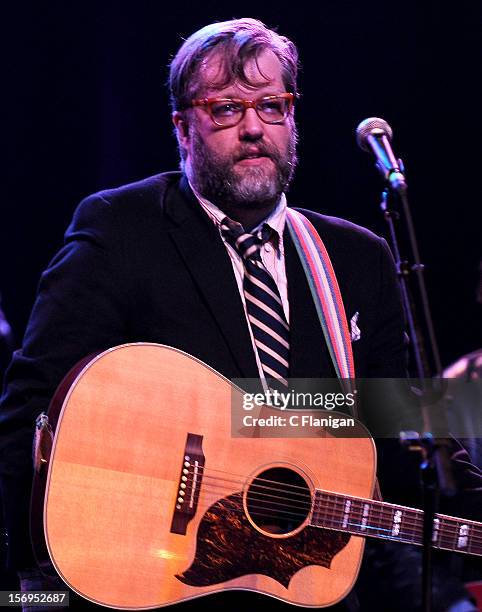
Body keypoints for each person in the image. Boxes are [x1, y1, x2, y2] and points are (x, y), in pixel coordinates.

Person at [0, 17, 480, 612]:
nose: (254, 128)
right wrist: (35, 584)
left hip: (296, 586)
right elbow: (33, 409)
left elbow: (396, 429)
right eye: (226, 108)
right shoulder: (120, 230)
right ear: (182, 128)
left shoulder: (356, 259)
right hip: (148, 587)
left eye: (272, 105)